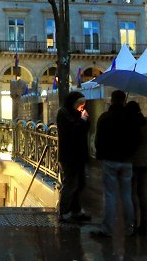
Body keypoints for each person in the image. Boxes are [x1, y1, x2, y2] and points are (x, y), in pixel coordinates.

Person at [92, 90, 140, 237]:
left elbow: (98, 140)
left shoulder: (105, 118)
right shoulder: (131, 118)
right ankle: (130, 227)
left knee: (110, 195)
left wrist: (101, 155)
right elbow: (136, 139)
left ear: (112, 100)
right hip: (126, 161)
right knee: (127, 195)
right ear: (124, 101)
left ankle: (107, 228)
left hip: (110, 160)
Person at [56, 91, 92, 222]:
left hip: (79, 154)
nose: (82, 106)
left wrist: (85, 120)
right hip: (69, 154)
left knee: (80, 183)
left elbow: (84, 129)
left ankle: (76, 210)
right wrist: (82, 120)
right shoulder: (64, 113)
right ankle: (64, 212)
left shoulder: (77, 113)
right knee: (71, 183)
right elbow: (73, 131)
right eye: (80, 103)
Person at [127, 100, 147, 235]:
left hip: (133, 162)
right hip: (145, 161)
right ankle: (144, 222)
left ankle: (133, 221)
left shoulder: (131, 123)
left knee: (132, 194)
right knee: (142, 193)